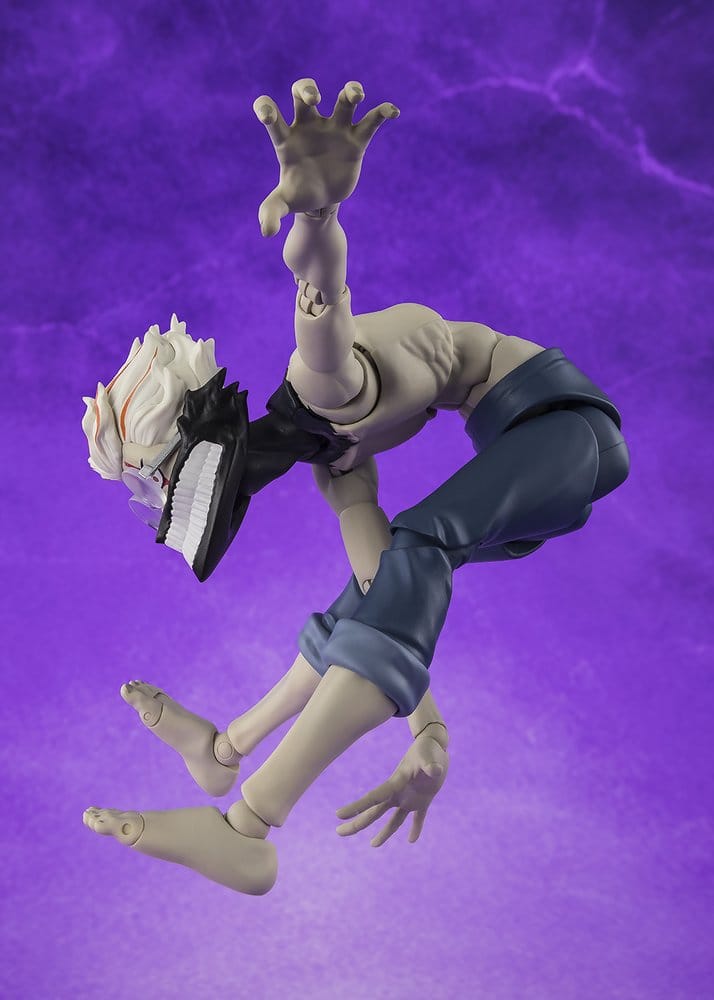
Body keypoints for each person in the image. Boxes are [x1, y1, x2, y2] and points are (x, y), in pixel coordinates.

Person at [82, 79, 629, 895]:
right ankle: (224, 750)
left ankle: (250, 826)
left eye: (163, 474)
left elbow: (324, 315)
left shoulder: (327, 389)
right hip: (530, 456)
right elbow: (383, 592)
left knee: (421, 542)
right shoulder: (329, 452)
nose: (172, 498)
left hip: (568, 427)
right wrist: (429, 731)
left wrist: (317, 218)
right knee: (377, 586)